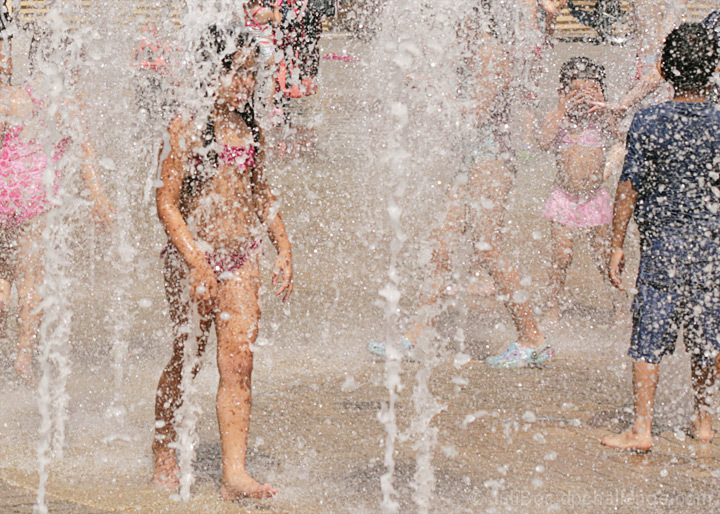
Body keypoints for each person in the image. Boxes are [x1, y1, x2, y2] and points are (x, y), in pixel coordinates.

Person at [369, 2, 553, 369]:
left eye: (457, 16)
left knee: (488, 249)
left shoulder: (491, 53)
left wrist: (431, 93)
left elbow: (479, 112)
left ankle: (533, 339)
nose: (450, 24)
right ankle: (414, 339)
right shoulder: (471, 53)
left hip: (492, 161)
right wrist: (428, 87)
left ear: (476, 15)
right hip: (471, 162)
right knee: (440, 247)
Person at [152, 26, 293, 499]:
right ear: (210, 72)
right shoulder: (185, 127)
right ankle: (164, 445)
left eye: (252, 73)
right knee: (188, 358)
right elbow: (166, 203)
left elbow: (261, 193)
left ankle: (234, 473)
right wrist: (196, 262)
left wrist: (283, 246)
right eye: (236, 71)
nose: (246, 83)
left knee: (239, 364)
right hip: (192, 259)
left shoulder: (250, 129)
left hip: (242, 258)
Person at [601, 23, 720, 451]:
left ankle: (642, 428)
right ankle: (704, 420)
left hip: (662, 246)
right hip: (712, 245)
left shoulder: (649, 120)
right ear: (714, 70)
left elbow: (629, 185)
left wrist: (617, 243)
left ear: (665, 71)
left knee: (649, 330)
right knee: (709, 330)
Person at [0, 33, 115, 381]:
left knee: (3, 274)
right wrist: (99, 198)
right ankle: (23, 359)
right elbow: (86, 152)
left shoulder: (13, 96)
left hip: (4, 190)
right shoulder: (65, 102)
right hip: (36, 196)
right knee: (31, 279)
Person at [539, 57, 624, 324]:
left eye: (591, 89)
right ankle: (553, 304)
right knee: (562, 256)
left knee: (604, 256)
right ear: (563, 91)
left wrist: (603, 107)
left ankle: (619, 306)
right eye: (576, 90)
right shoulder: (559, 117)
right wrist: (561, 109)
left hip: (595, 197)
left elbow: (621, 137)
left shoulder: (600, 119)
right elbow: (543, 142)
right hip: (563, 197)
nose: (583, 96)